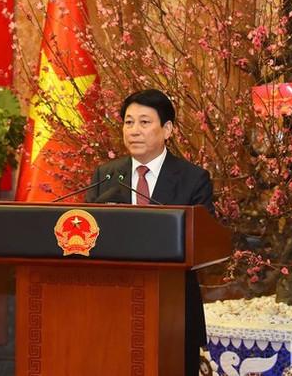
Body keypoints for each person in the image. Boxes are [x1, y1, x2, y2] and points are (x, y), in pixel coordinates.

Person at [85, 88, 214, 376]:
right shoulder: (105, 176)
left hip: (174, 311)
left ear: (167, 129)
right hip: (112, 308)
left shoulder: (194, 179)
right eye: (128, 122)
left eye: (144, 122)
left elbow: (203, 244)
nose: (134, 131)